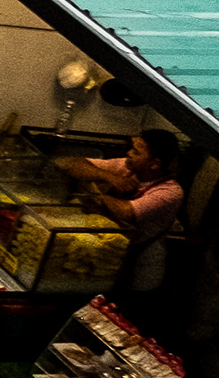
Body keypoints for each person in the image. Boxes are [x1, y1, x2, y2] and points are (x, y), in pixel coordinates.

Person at [56, 126, 187, 294]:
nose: (129, 154)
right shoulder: (127, 168)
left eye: (137, 152)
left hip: (139, 272)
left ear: (154, 164)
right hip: (108, 260)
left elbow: (126, 211)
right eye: (132, 148)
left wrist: (96, 195)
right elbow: (74, 165)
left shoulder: (170, 192)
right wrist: (108, 176)